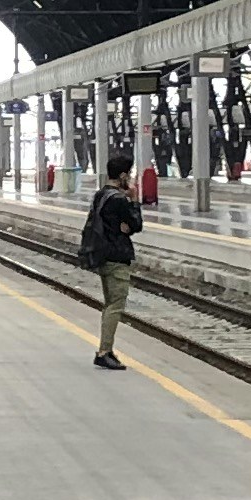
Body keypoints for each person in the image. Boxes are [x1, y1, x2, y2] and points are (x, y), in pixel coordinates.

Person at [76, 152, 144, 370]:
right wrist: (134, 200)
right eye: (130, 174)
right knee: (116, 304)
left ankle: (107, 349)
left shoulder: (101, 195)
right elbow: (135, 225)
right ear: (123, 175)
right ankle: (104, 351)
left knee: (109, 302)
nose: (131, 178)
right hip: (116, 256)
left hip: (102, 254)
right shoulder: (119, 200)